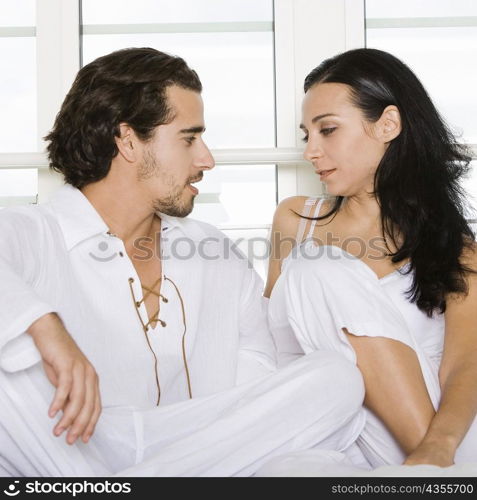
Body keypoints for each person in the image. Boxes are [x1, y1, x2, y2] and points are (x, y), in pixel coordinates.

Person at [0, 47, 366, 477]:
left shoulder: (215, 255)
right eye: (189, 139)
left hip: (195, 442)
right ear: (127, 140)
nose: (206, 159)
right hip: (70, 445)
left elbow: (255, 390)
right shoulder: (36, 231)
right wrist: (45, 327)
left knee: (336, 379)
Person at [263, 47, 477, 472]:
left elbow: (465, 364)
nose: (311, 151)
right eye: (307, 135)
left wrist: (437, 448)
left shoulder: (457, 248)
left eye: (328, 130)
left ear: (388, 125)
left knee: (317, 267)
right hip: (339, 440)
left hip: (444, 440)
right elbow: (269, 350)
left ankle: (438, 475)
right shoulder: (294, 221)